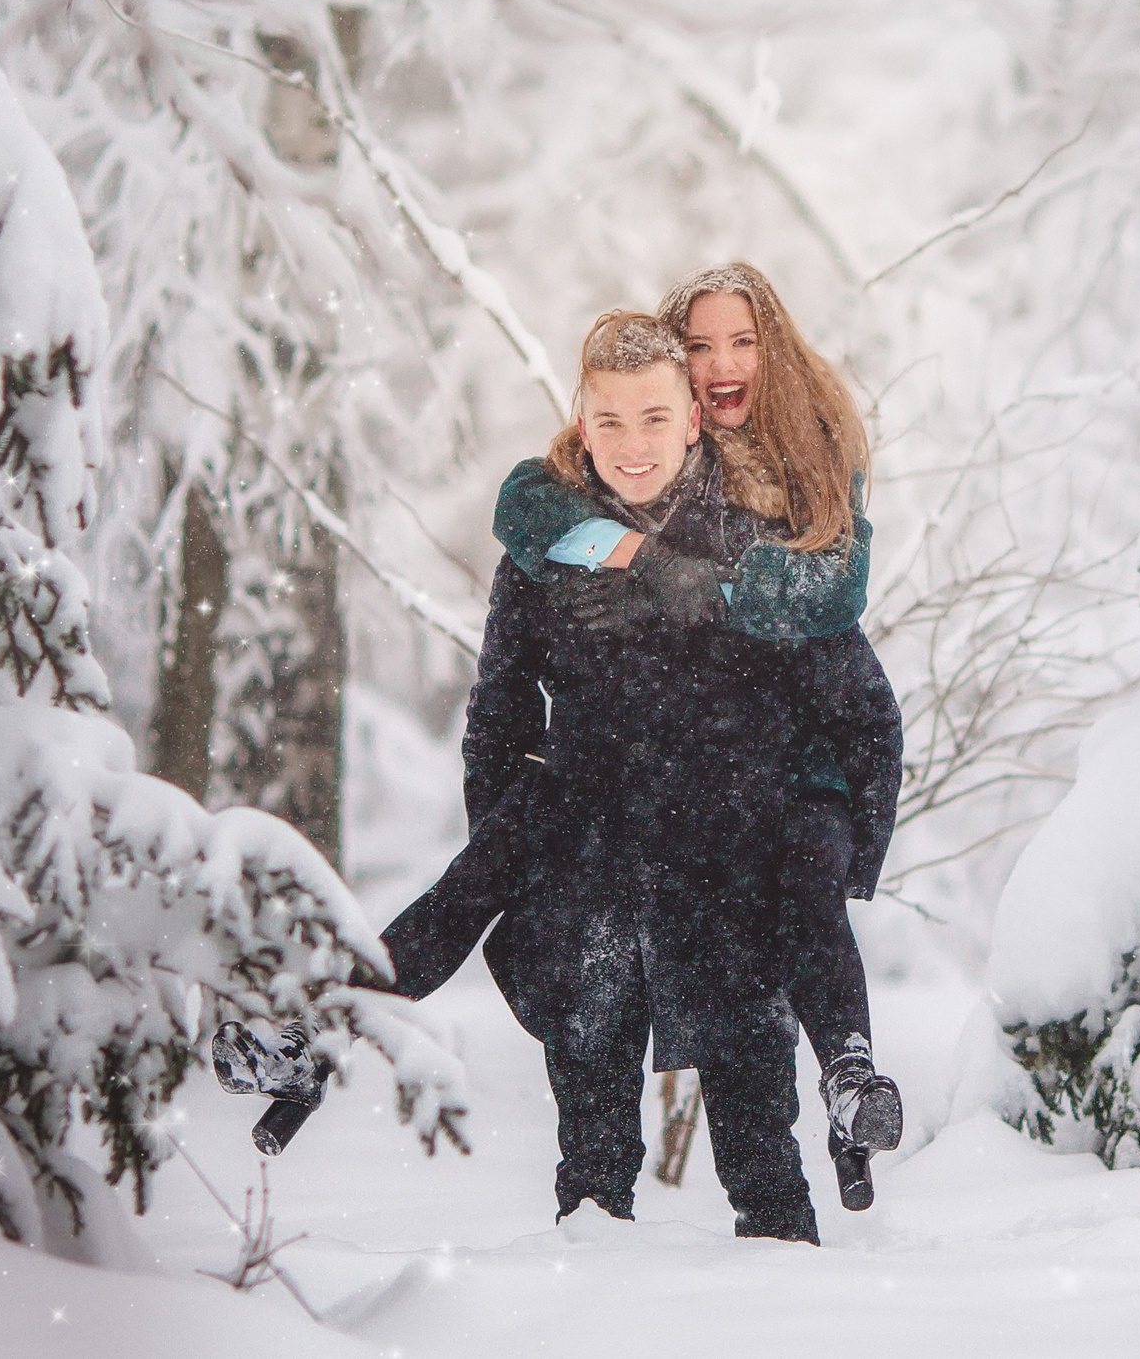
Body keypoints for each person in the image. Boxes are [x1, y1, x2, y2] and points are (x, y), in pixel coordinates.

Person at [223, 312, 901, 1241]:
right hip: (582, 816)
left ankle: (784, 1265)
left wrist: (841, 843)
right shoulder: (549, 550)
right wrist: (502, 823)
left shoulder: (756, 548)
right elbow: (497, 710)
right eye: (610, 422)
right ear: (582, 423)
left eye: (656, 419)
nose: (632, 445)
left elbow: (857, 696)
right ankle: (314, 1032)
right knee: (549, 1023)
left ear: (695, 420)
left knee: (755, 1113)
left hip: (730, 833)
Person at [487, 263, 901, 1208]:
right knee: (604, 1038)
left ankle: (847, 1080)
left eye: (742, 341)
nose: (722, 364)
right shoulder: (632, 463)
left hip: (793, 767)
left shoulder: (808, 460)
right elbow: (526, 500)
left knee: (798, 914)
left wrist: (707, 585)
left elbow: (833, 608)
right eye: (702, 344)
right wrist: (631, 548)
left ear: (775, 350)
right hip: (670, 801)